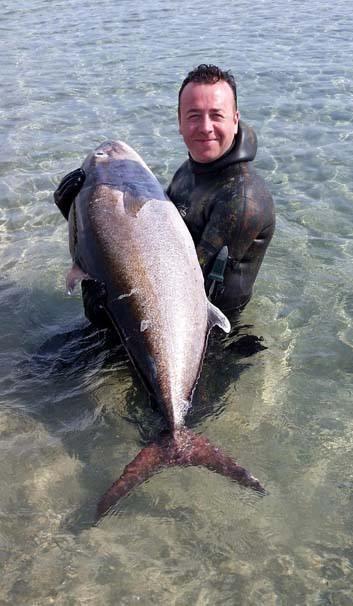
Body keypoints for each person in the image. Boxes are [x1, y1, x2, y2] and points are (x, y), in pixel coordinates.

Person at [54, 64, 275, 326]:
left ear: (235, 119)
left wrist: (105, 289)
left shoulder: (242, 199)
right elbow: (143, 238)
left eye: (216, 115)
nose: (205, 127)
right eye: (194, 116)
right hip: (151, 313)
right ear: (179, 122)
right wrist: (78, 213)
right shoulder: (191, 170)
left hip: (205, 338)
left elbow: (184, 283)